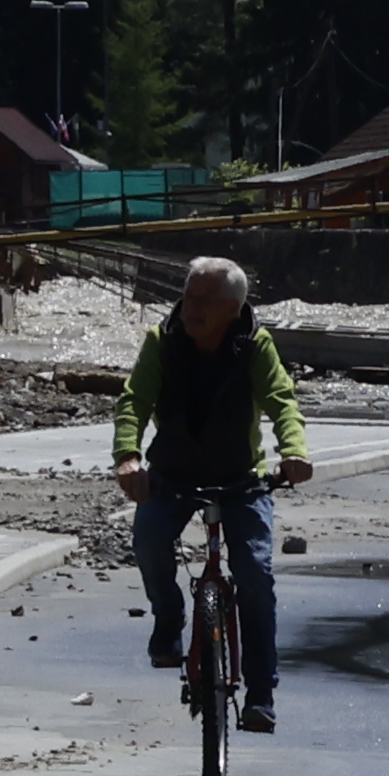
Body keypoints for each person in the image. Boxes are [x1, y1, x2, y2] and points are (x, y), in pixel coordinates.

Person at [109, 254, 315, 732]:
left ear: (232, 308)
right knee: (148, 539)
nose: (191, 307)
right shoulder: (162, 343)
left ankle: (261, 692)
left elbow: (282, 402)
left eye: (204, 301)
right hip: (172, 477)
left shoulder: (255, 346)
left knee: (255, 574)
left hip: (241, 480)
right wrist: (128, 457)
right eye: (188, 296)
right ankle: (169, 619)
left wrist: (294, 452)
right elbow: (133, 401)